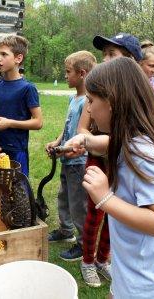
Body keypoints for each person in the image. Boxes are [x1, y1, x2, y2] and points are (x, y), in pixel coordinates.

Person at [66, 57, 154, 298]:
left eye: (91, 100)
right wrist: (86, 140)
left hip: (148, 285)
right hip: (133, 273)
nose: (88, 109)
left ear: (111, 102)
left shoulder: (145, 154)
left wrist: (105, 198)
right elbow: (111, 144)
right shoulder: (133, 139)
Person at [70, 32, 143, 288]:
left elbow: (133, 141)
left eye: (112, 54)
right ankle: (87, 261)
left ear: (130, 61)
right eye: (104, 55)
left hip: (123, 165)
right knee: (95, 213)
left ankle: (103, 259)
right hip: (97, 160)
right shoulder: (97, 89)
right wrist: (87, 140)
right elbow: (82, 129)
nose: (104, 60)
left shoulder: (137, 98)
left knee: (117, 213)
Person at [45, 51, 96, 262]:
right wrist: (57, 142)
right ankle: (66, 231)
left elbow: (84, 133)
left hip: (78, 161)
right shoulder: (72, 98)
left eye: (68, 72)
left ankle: (84, 245)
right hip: (67, 158)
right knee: (63, 197)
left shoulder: (88, 101)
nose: (65, 76)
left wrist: (66, 148)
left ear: (82, 73)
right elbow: (68, 126)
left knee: (77, 204)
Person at [0, 35, 43, 176]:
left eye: (4, 54)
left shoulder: (28, 89)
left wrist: (10, 123)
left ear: (18, 58)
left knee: (18, 192)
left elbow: (38, 122)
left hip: (17, 151)